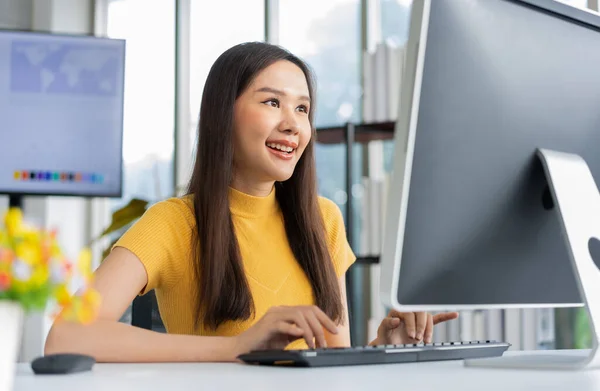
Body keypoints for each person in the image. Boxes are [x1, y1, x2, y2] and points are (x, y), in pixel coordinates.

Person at [45, 42, 458, 363]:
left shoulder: (323, 219)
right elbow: (66, 337)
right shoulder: (173, 223)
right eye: (272, 102)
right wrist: (237, 347)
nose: (293, 123)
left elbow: (332, 359)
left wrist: (384, 347)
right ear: (223, 116)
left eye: (302, 108)